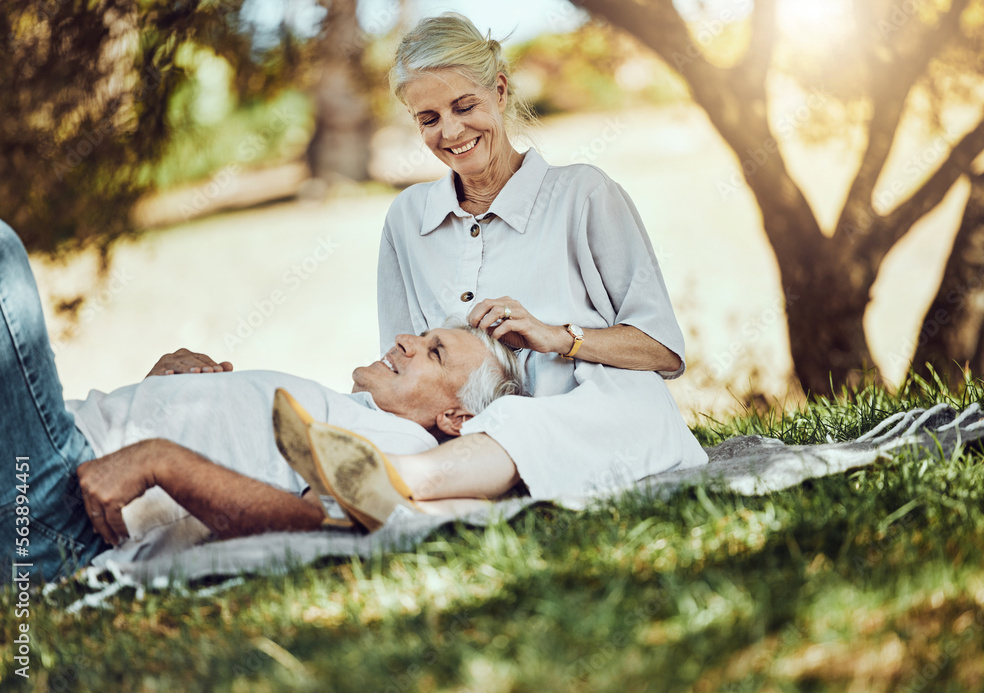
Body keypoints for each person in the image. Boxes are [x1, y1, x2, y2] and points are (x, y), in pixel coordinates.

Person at [0, 220, 523, 582]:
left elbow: (308, 524)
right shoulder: (346, 412)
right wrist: (163, 390)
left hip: (59, 506)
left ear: (456, 418)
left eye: (433, 352)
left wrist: (159, 458)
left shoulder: (402, 442)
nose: (406, 340)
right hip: (61, 455)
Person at [364, 13, 708, 506]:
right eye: (429, 119)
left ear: (500, 92)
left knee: (633, 413)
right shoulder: (406, 218)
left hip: (591, 418)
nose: (451, 131)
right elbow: (400, 367)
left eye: (465, 106)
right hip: (459, 436)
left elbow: (663, 351)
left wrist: (559, 336)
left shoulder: (584, 195)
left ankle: (405, 482)